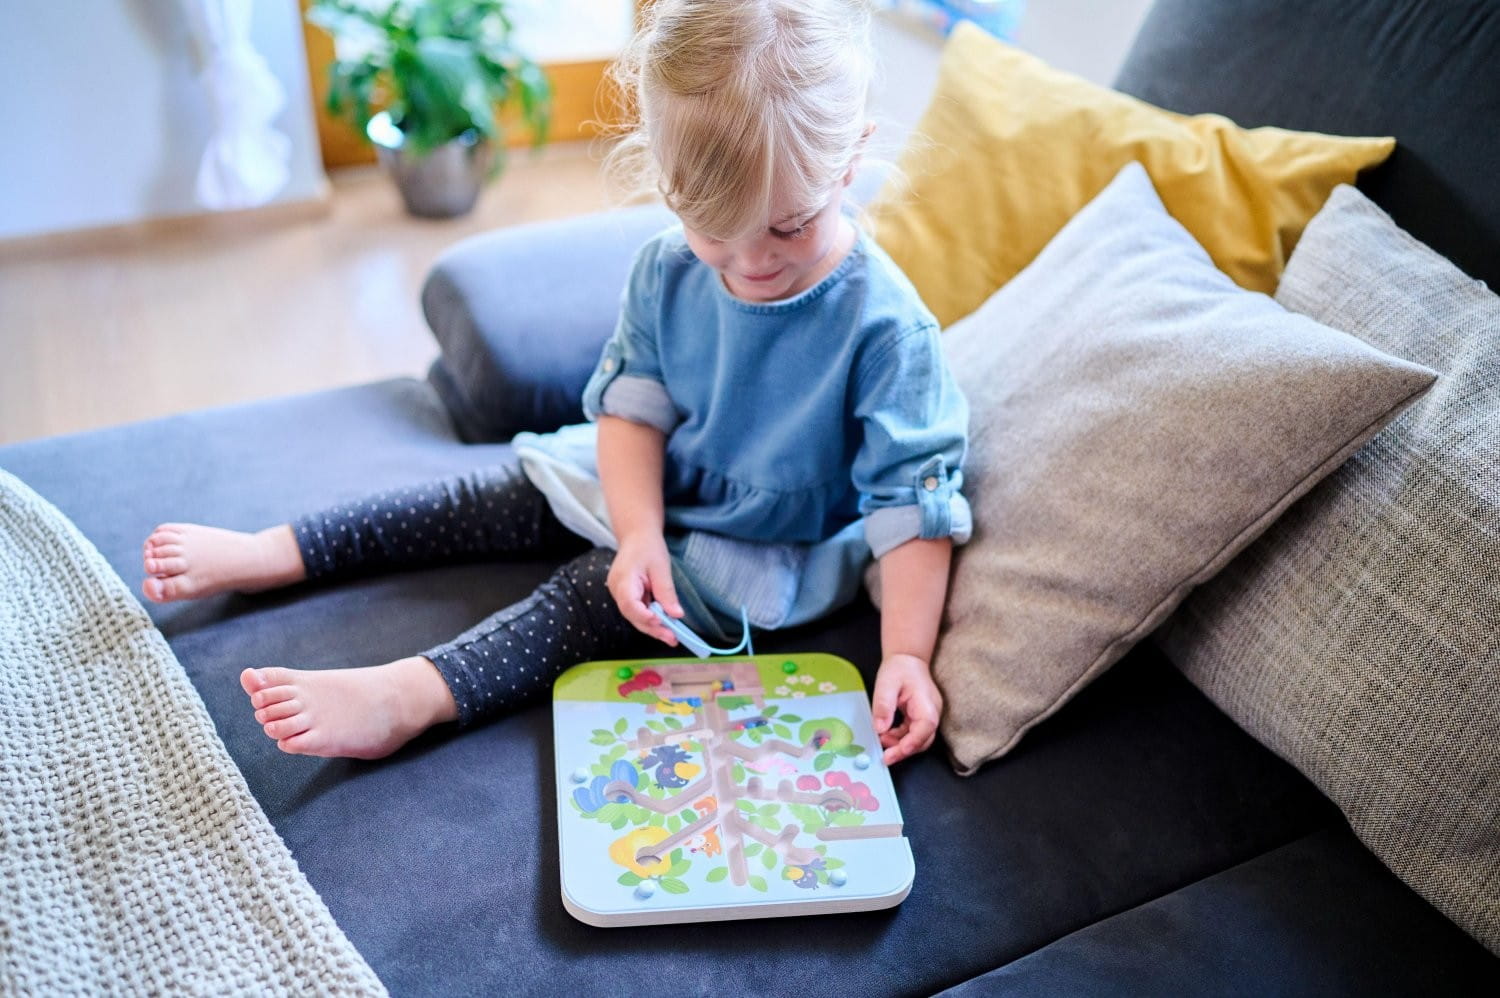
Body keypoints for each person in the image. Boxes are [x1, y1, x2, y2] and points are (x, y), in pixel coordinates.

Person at [140, 0, 970, 766]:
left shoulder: (887, 331)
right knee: (483, 494)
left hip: (760, 547)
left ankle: (411, 696)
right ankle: (276, 551)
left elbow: (911, 508)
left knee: (586, 598)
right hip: (658, 479)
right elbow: (633, 412)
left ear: (851, 158)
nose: (752, 262)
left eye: (789, 226)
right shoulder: (667, 268)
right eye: (713, 228)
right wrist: (638, 534)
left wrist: (905, 654)